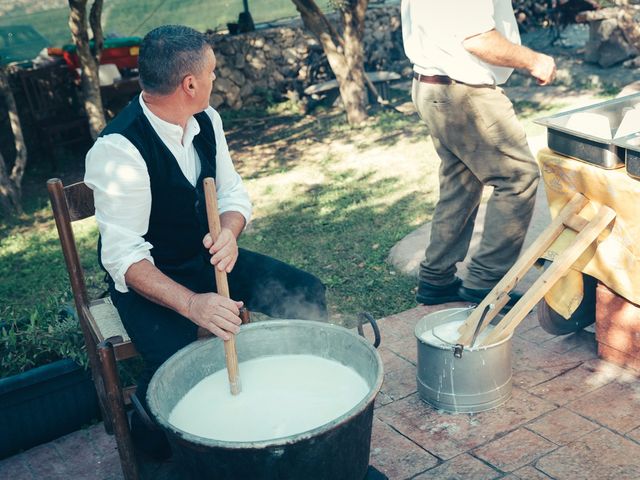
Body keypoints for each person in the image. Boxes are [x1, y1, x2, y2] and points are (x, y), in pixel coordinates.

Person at [84, 24, 327, 458]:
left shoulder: (206, 120)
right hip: (150, 282)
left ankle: (308, 401)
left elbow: (232, 195)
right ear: (189, 83)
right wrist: (193, 304)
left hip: (209, 258)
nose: (216, 78)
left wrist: (230, 233)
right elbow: (124, 258)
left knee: (307, 291)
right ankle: (160, 445)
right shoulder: (119, 151)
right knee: (180, 369)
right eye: (212, 71)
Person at [401, 0, 556, 308]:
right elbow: (477, 38)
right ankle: (485, 284)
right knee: (518, 178)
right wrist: (533, 60)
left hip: (431, 86)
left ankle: (436, 279)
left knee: (462, 183)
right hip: (464, 92)